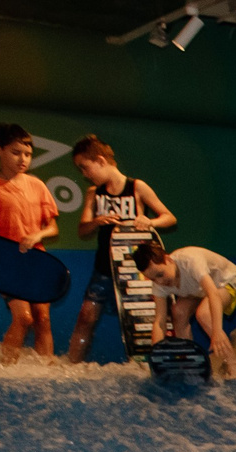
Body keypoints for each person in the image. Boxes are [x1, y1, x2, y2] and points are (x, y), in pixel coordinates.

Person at [64, 136, 175, 364]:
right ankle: (72, 366)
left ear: (101, 160)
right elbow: (83, 230)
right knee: (86, 316)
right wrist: (97, 221)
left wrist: (150, 222)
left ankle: (152, 363)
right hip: (104, 267)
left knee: (142, 320)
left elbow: (169, 218)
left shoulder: (137, 187)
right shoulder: (94, 193)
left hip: (138, 270)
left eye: (85, 167)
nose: (84, 174)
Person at [0, 123, 59, 363]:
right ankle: (5, 372)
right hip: (5, 261)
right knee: (23, 318)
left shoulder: (37, 185)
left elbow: (53, 227)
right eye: (16, 153)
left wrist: (38, 235)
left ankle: (45, 375)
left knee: (42, 319)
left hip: (37, 260)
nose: (23, 159)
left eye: (27, 154)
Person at [137, 242, 236, 378]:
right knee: (178, 312)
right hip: (198, 290)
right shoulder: (159, 284)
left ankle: (235, 367)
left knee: (204, 314)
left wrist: (217, 331)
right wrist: (156, 357)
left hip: (226, 281)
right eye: (153, 278)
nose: (159, 282)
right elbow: (159, 322)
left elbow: (213, 294)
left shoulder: (190, 262)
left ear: (168, 259)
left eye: (160, 274)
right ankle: (188, 363)